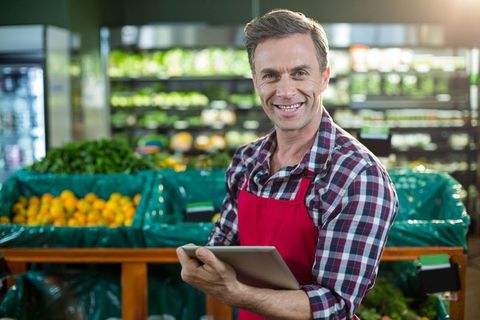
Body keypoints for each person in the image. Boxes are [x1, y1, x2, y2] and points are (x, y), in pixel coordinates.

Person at [177, 8, 399, 320]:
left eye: (299, 73)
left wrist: (236, 292)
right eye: (270, 75)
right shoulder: (247, 160)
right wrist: (202, 263)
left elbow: (335, 306)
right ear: (256, 83)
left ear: (323, 78)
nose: (285, 91)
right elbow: (222, 245)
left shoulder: (358, 175)